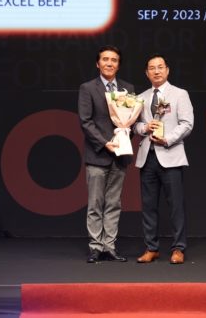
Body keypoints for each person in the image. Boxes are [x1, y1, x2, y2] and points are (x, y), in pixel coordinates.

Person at [133, 54, 193, 264]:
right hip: (147, 157)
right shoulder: (141, 97)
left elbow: (187, 123)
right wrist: (144, 127)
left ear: (167, 70)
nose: (156, 71)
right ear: (146, 73)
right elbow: (134, 125)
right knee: (148, 205)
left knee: (175, 206)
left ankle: (178, 248)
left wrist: (167, 139)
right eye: (152, 68)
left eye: (160, 67)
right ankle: (152, 247)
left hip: (170, 155)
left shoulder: (179, 94)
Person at [78, 45, 134, 263]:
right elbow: (86, 121)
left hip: (120, 155)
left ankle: (109, 246)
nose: (109, 63)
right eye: (105, 59)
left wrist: (123, 138)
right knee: (95, 204)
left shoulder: (128, 88)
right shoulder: (87, 88)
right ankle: (95, 247)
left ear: (118, 65)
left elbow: (131, 120)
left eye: (114, 60)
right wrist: (105, 143)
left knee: (114, 204)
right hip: (98, 154)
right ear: (98, 63)